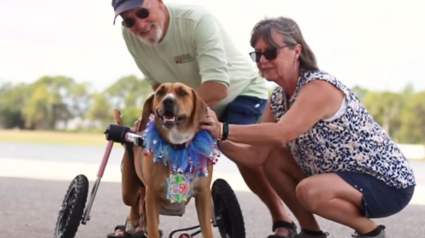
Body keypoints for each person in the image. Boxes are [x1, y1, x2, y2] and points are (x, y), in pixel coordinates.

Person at [200, 16, 416, 238]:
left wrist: (222, 128)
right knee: (271, 158)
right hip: (342, 179)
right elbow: (256, 156)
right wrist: (211, 137)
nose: (262, 60)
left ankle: (370, 233)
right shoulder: (277, 99)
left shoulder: (318, 86)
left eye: (271, 52)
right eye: (257, 53)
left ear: (296, 50)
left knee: (308, 191)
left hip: (387, 184)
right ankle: (311, 233)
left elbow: (283, 132)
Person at [110, 1, 301, 237]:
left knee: (237, 150)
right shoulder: (131, 35)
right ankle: (141, 216)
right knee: (156, 145)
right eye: (129, 20)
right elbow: (158, 84)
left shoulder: (196, 21)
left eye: (142, 12)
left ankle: (282, 219)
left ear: (158, 3)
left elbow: (219, 87)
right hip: (185, 104)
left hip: (238, 92)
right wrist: (157, 112)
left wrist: (185, 111)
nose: (138, 24)